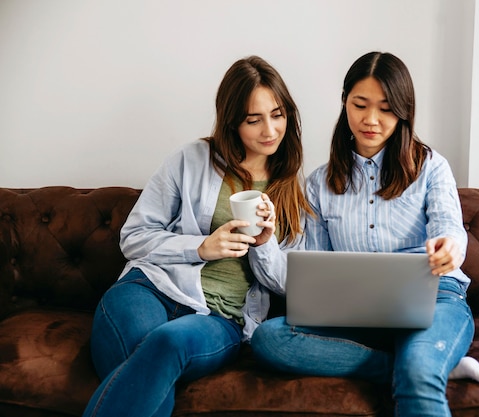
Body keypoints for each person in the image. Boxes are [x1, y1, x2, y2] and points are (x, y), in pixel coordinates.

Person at [250, 51, 479, 417]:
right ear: (345, 101)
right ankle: (425, 365)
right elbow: (306, 274)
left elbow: (449, 228)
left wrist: (450, 249)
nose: (371, 120)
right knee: (269, 338)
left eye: (386, 109)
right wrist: (265, 243)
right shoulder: (319, 182)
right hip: (355, 310)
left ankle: (423, 365)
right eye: (360, 105)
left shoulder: (430, 167)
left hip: (433, 298)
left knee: (419, 373)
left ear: (404, 112)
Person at [83, 55, 311, 417]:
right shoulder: (191, 159)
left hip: (219, 318)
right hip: (149, 288)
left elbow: (289, 283)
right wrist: (201, 247)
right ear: (232, 121)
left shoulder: (294, 191)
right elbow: (134, 237)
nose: (270, 130)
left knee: (164, 345)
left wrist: (265, 243)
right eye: (254, 119)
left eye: (278, 114)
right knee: (148, 369)